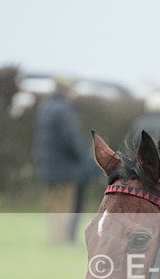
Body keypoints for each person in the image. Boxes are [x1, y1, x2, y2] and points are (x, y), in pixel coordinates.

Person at [34, 77, 99, 245]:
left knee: (54, 205)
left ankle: (55, 238)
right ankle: (62, 240)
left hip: (50, 166)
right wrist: (83, 158)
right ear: (66, 90)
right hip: (66, 168)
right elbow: (70, 139)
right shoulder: (64, 110)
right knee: (65, 205)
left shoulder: (46, 107)